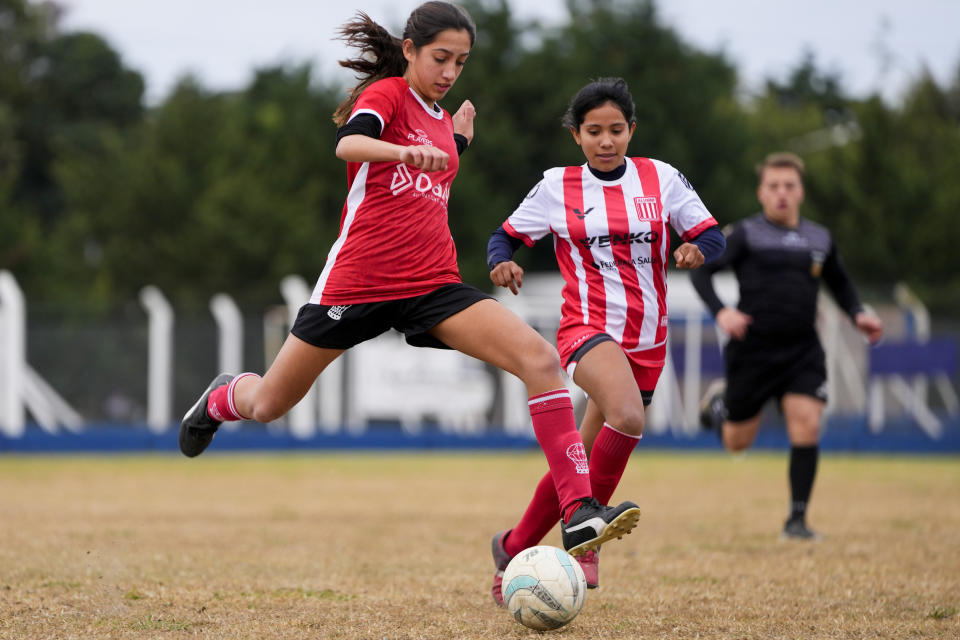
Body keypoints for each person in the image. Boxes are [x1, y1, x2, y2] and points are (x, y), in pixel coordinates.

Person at [178, 1, 641, 559]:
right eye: (441, 58)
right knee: (269, 404)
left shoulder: (443, 121)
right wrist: (405, 149)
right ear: (410, 50)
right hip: (358, 285)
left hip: (432, 285)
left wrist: (457, 143)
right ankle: (224, 395)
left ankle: (577, 513)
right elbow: (348, 144)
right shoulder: (388, 96)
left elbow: (430, 173)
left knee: (539, 360)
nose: (450, 72)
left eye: (461, 63)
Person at [485, 77, 726, 605]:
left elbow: (711, 233)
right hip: (587, 328)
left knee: (584, 457)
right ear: (577, 136)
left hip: (649, 338)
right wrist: (501, 261)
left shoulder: (659, 178)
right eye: (594, 131)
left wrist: (697, 252)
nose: (606, 141)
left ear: (631, 130)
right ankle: (585, 540)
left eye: (616, 130)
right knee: (628, 415)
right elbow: (504, 234)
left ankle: (514, 546)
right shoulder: (556, 186)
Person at [690, 151, 883, 541]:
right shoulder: (745, 233)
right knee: (736, 442)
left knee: (807, 423)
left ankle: (796, 521)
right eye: (773, 186)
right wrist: (722, 312)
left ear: (801, 192)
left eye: (789, 186)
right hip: (752, 349)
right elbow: (703, 272)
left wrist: (858, 312)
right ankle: (720, 404)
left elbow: (840, 283)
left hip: (801, 351)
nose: (782, 193)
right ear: (761, 193)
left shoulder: (819, 238)